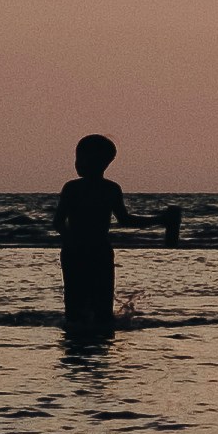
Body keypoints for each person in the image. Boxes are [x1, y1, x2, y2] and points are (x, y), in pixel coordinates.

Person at [52, 135, 176, 332]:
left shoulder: (91, 188)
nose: (77, 163)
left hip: (91, 251)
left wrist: (158, 220)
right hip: (86, 251)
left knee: (92, 306)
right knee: (79, 305)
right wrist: (159, 220)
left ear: (100, 162)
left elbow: (58, 222)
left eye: (81, 159)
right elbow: (58, 222)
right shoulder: (97, 188)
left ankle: (87, 339)